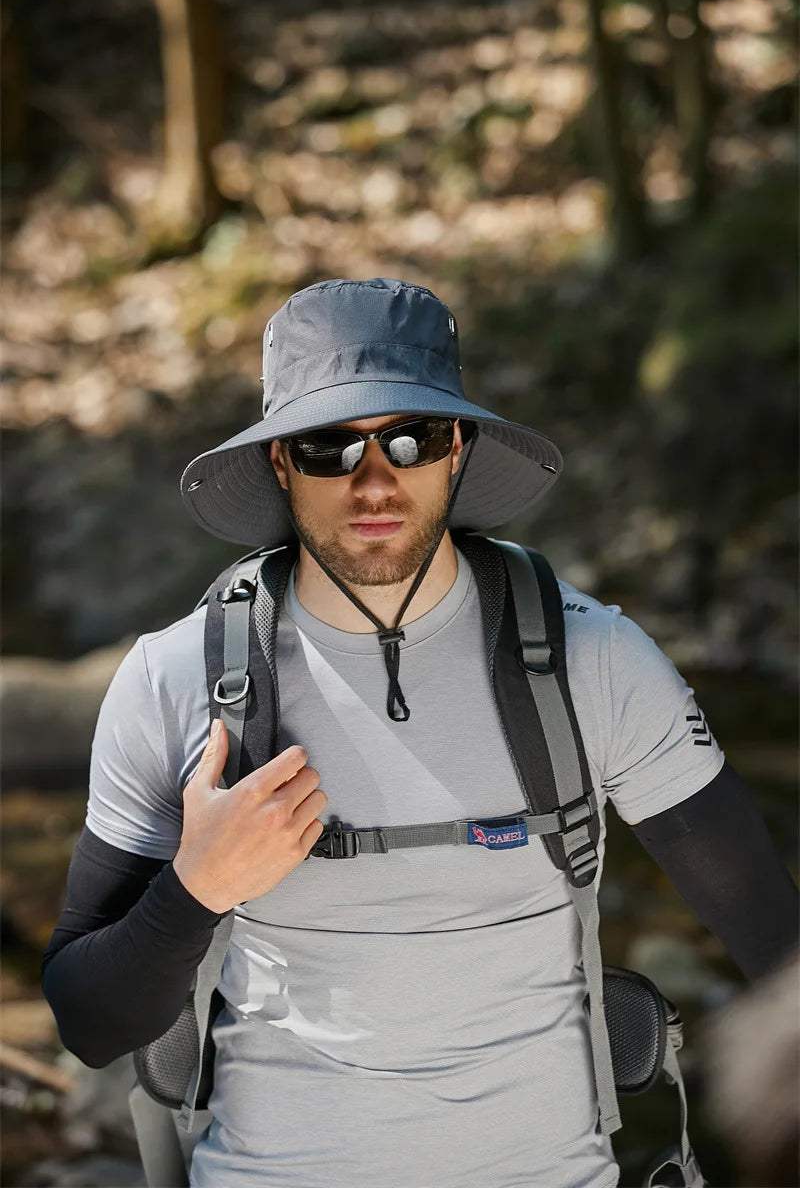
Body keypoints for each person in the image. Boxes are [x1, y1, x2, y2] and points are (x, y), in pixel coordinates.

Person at [42, 278, 798, 1188]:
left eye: (411, 437)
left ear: (457, 451)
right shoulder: (174, 680)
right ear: (281, 463)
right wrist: (194, 890)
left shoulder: (594, 662)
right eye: (329, 446)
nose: (374, 480)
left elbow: (778, 952)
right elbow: (88, 1023)